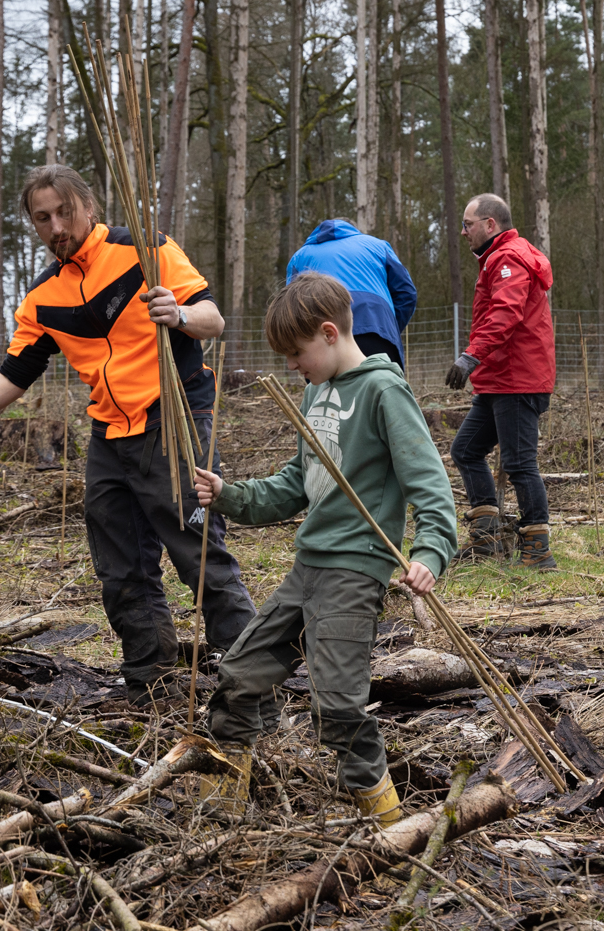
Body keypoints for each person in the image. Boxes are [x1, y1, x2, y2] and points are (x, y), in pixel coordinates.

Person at [0, 164, 254, 705]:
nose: (56, 225)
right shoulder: (43, 297)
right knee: (120, 565)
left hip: (174, 418)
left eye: (64, 212)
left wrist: (176, 313)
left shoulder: (145, 249)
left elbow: (213, 319)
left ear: (90, 208)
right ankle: (148, 684)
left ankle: (253, 682)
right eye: (43, 218)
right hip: (109, 434)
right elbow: (11, 378)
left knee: (199, 556)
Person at [192, 272, 456, 826]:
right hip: (307, 567)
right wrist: (230, 496)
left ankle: (391, 830)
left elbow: (429, 484)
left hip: (354, 571)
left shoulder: (384, 391)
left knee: (337, 706)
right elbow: (297, 481)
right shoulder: (315, 392)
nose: (292, 366)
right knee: (238, 675)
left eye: (297, 353)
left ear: (330, 333)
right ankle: (225, 820)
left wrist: (429, 553)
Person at [445, 193, 557, 569]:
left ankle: (537, 548)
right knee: (466, 450)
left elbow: (506, 313)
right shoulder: (497, 258)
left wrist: (469, 356)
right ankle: (488, 536)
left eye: (468, 224)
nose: (464, 232)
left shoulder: (509, 258)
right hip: (497, 380)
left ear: (489, 224)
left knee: (520, 463)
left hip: (517, 379)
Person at [286, 219, 417, 366]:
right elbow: (407, 293)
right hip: (377, 328)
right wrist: (386, 327)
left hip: (325, 337)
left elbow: (291, 311)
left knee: (331, 389)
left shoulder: (299, 257)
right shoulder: (378, 246)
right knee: (384, 385)